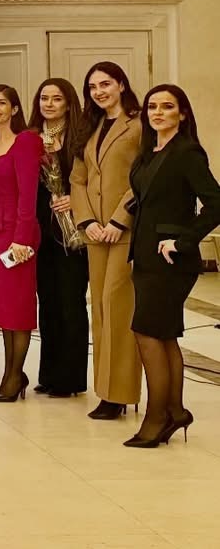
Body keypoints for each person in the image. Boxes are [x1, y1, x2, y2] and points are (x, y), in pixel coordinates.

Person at [123, 85, 220, 447]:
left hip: (171, 259)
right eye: (153, 106)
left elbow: (216, 203)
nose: (158, 112)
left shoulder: (186, 152)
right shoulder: (150, 152)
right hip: (146, 255)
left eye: (167, 106)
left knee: (147, 332)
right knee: (162, 334)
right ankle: (175, 411)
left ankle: (157, 417)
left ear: (182, 113)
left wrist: (183, 239)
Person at [71, 61, 143, 421]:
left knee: (118, 307)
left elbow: (144, 177)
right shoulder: (92, 127)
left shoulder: (139, 125)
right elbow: (78, 179)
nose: (99, 91)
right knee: (99, 308)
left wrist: (119, 219)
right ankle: (105, 390)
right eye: (93, 87)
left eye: (105, 84)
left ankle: (120, 393)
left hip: (125, 230)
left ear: (121, 85)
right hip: (95, 233)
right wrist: (87, 220)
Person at [0, 84, 44, 403]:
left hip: (15, 233)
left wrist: (22, 238)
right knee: (4, 308)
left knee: (18, 307)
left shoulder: (26, 141)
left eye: (2, 103)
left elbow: (28, 195)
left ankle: (15, 376)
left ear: (15, 108)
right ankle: (10, 373)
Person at [28, 78, 89, 399]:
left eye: (56, 99)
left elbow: (93, 181)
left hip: (74, 232)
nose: (49, 104)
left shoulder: (81, 137)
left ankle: (71, 378)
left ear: (68, 104)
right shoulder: (30, 138)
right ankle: (49, 375)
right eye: (44, 98)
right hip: (42, 229)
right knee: (48, 303)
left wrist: (75, 201)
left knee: (71, 303)